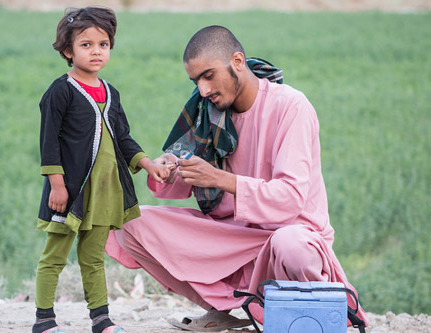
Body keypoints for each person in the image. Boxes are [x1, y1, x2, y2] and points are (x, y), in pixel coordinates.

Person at [105, 25, 369, 331]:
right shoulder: (209, 112)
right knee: (130, 224)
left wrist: (218, 178)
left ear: (238, 62)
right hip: (230, 237)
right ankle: (229, 307)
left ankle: (314, 311)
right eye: (196, 81)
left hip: (288, 237)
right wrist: (167, 168)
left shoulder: (291, 106)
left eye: (208, 75)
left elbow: (291, 198)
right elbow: (191, 180)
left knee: (291, 245)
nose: (203, 90)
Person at [33, 7, 169, 333]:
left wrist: (148, 164)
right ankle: (44, 322)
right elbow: (48, 141)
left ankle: (101, 320)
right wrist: (57, 185)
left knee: (93, 258)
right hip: (71, 191)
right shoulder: (60, 91)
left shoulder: (110, 93)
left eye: (103, 44)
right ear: (68, 50)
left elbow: (123, 138)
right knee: (55, 254)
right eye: (86, 44)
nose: (96, 51)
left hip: (105, 191)